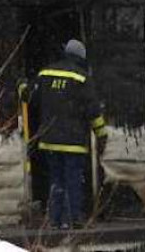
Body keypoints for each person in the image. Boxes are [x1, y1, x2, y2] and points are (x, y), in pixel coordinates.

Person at [36, 39, 107, 229]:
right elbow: (93, 111)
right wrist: (101, 135)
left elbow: (31, 98)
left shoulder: (45, 73)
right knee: (73, 180)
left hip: (49, 140)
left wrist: (21, 86)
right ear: (81, 57)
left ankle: (54, 219)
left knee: (56, 180)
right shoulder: (81, 78)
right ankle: (73, 218)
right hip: (73, 142)